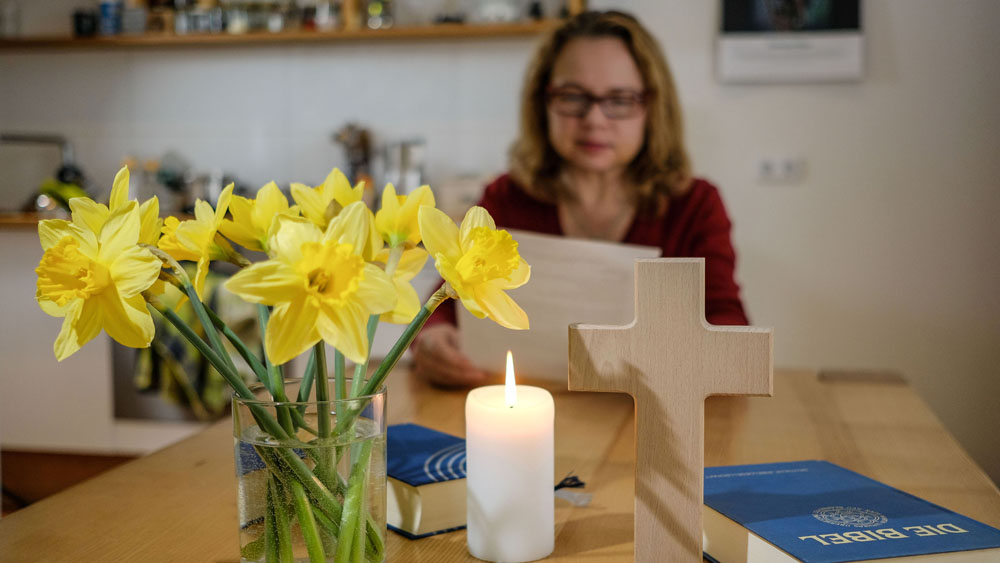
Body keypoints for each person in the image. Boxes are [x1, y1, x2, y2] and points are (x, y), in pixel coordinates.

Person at [414, 10, 749, 386]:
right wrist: (431, 339)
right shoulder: (507, 197)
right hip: (535, 405)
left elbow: (728, 325)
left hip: (650, 418)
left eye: (619, 99)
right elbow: (445, 303)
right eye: (573, 97)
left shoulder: (696, 205)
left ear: (652, 108)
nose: (594, 119)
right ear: (543, 103)